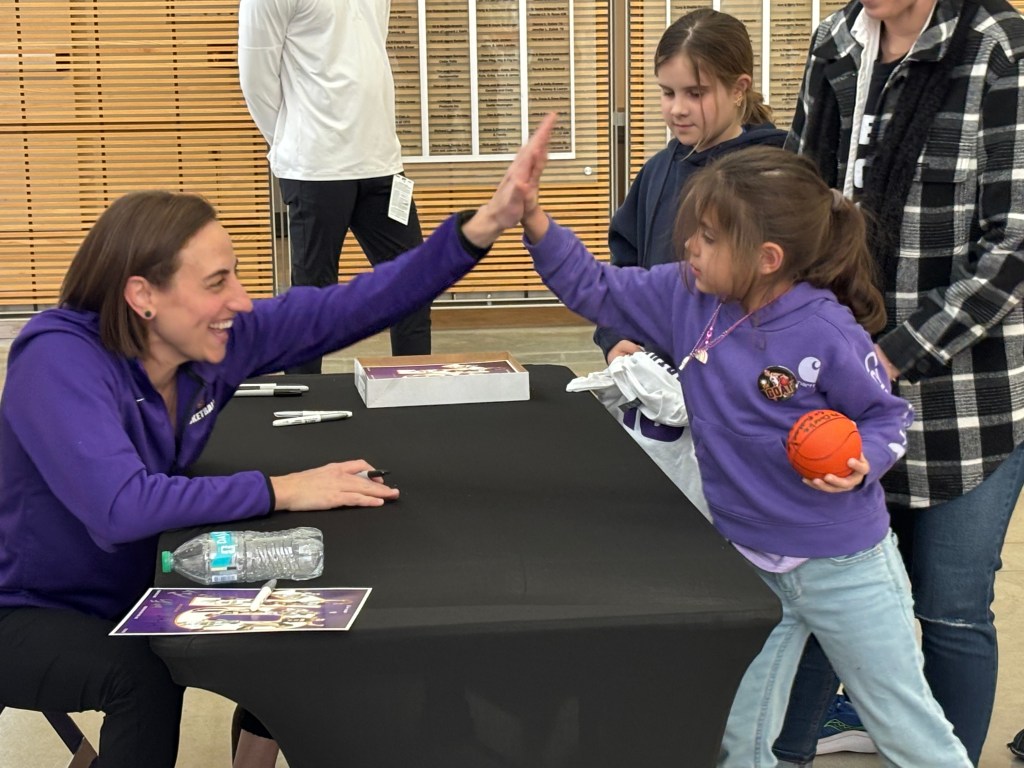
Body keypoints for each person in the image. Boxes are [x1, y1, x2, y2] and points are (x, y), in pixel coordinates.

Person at [0, 179, 527, 767]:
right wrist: (279, 489)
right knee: (144, 677)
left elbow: (349, 306)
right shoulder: (55, 357)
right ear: (143, 296)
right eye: (217, 282)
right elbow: (121, 508)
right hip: (28, 608)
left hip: (138, 579)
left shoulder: (208, 340)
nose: (243, 301)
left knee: (295, 602)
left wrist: (474, 232)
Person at [501, 114, 972, 765]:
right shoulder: (682, 295)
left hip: (845, 566)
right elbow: (595, 287)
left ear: (767, 258)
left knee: (902, 720)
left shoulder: (827, 332)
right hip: (749, 563)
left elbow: (887, 419)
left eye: (708, 238)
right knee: (739, 733)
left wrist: (861, 464)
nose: (689, 246)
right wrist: (535, 221)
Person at [778, 0, 1024, 762]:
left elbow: (1014, 243)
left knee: (951, 611)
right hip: (842, 386)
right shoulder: (835, 44)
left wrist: (893, 352)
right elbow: (796, 196)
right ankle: (784, 748)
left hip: (967, 400)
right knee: (831, 602)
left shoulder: (999, 48)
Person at [237, 0, 430, 374]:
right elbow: (255, 77)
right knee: (314, 300)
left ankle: (415, 386)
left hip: (381, 161)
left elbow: (367, 51)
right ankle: (305, 397)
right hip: (316, 167)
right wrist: (290, 142)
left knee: (415, 284)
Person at [594, 8, 785, 365]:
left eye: (695, 93)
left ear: (739, 89)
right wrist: (615, 335)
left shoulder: (778, 171)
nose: (677, 109)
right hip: (661, 379)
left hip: (749, 381)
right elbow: (626, 269)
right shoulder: (656, 171)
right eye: (668, 92)